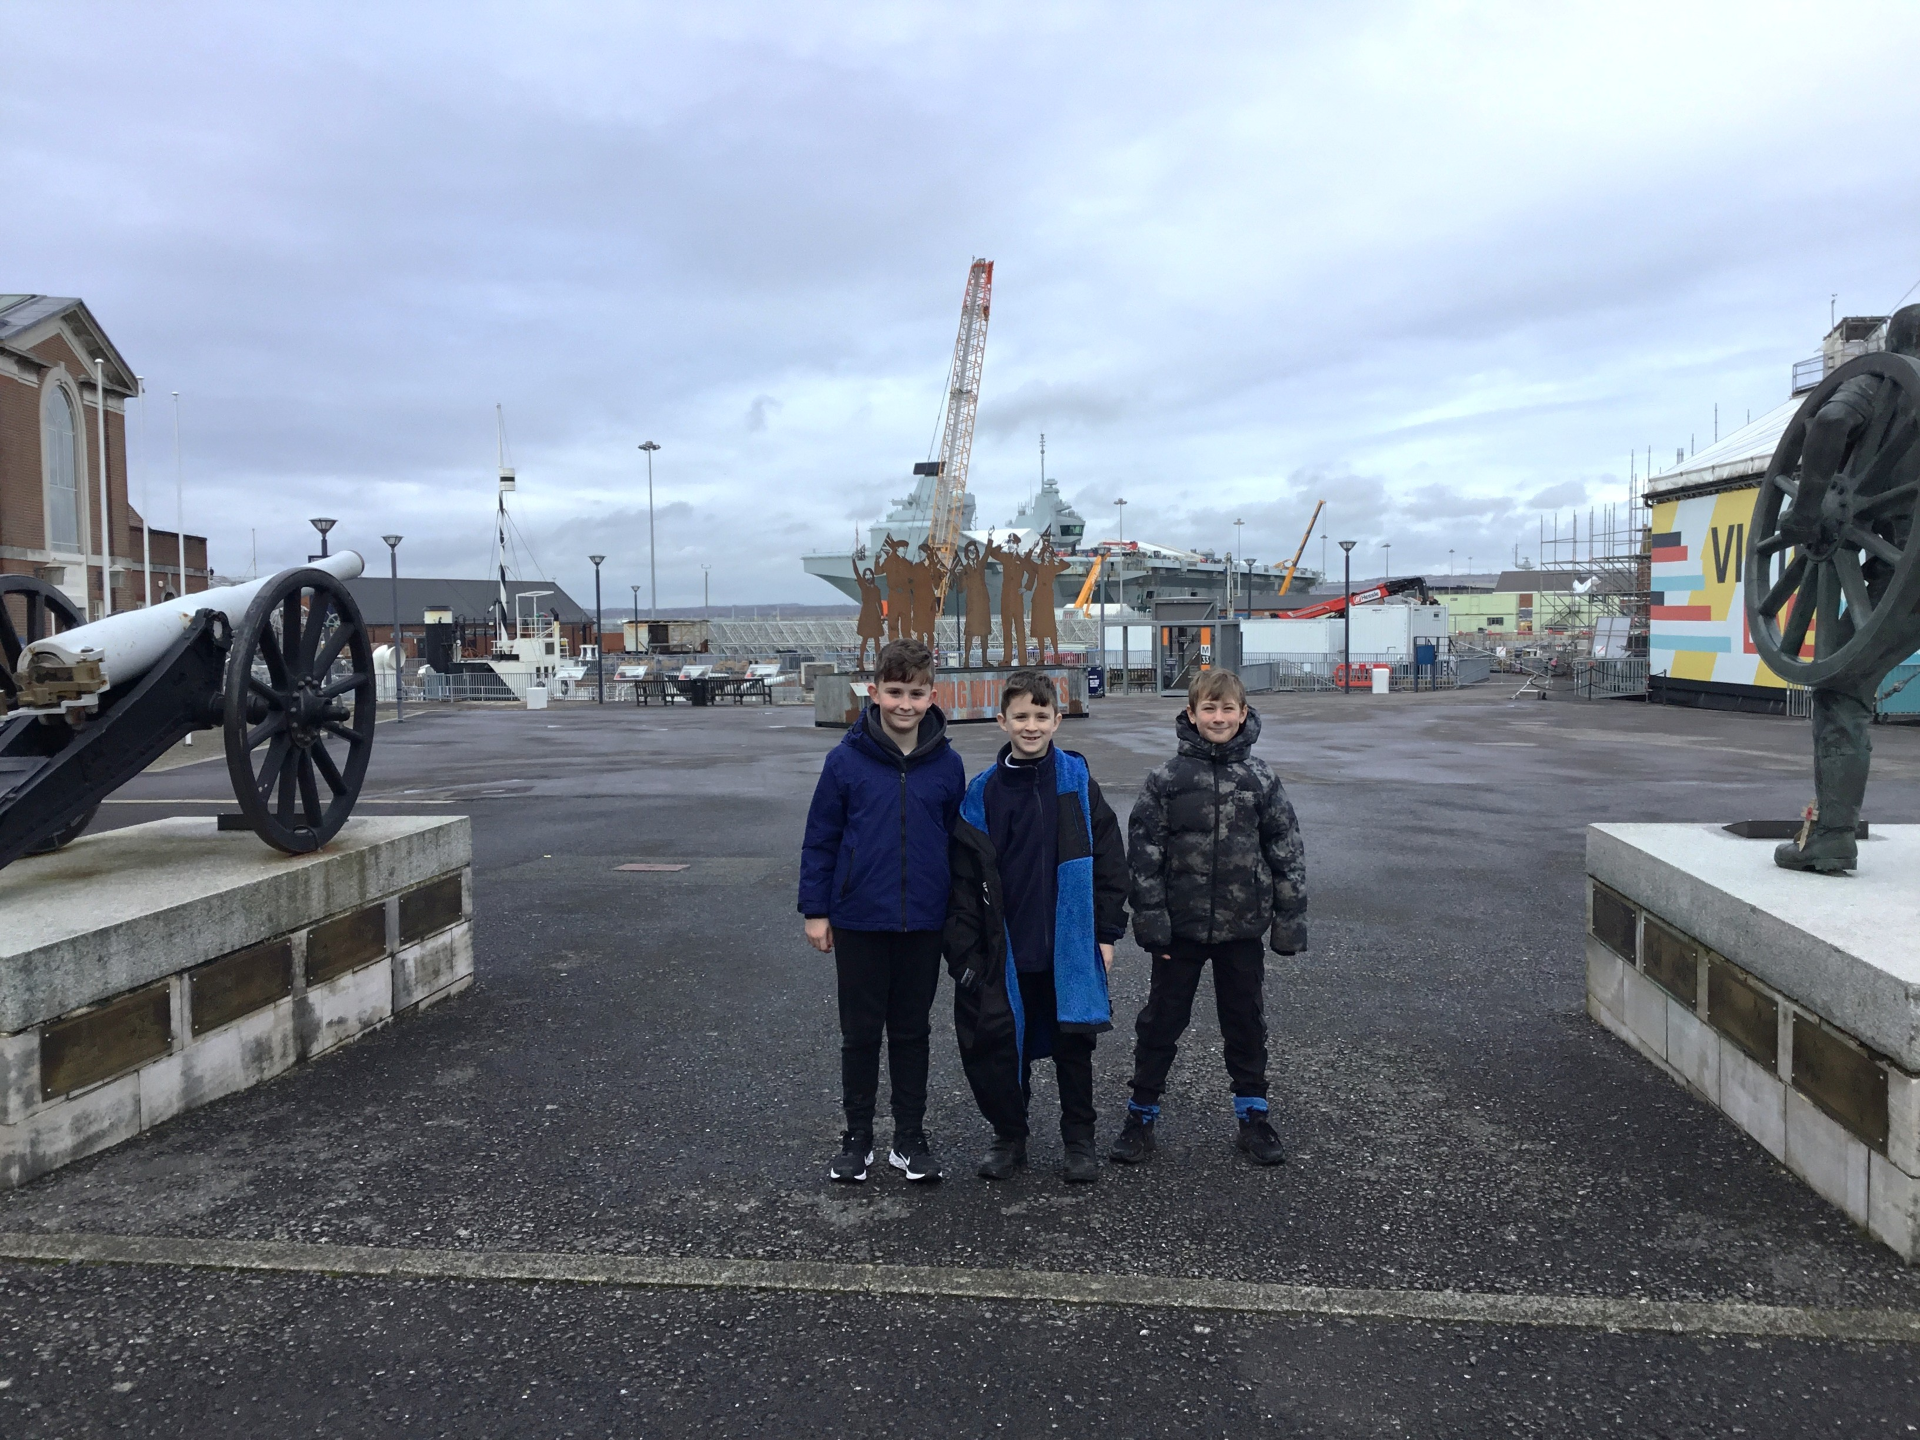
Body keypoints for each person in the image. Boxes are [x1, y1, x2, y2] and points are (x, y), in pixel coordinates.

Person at [1109, 669, 1306, 1167]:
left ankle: (1253, 1116)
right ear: (1191, 714)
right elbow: (1144, 855)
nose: (1218, 718)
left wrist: (1288, 921)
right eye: (1209, 709)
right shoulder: (1167, 780)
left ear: (1243, 713)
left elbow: (1286, 850)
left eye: (1227, 709)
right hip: (1181, 929)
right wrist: (1151, 922)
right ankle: (1140, 1116)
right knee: (1161, 1022)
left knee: (1245, 1022)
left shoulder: (1260, 779)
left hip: (1242, 928)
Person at [944, 671, 1128, 1183]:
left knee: (1075, 1047)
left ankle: (1079, 1140)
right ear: (1001, 720)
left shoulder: (1076, 783)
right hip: (1008, 948)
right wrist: (966, 953)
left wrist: (1105, 932)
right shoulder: (982, 794)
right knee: (1008, 1047)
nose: (1031, 726)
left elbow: (1110, 862)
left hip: (1067, 947)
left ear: (1057, 720)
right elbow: (963, 884)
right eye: (1020, 716)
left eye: (1040, 716)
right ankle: (1010, 1136)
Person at [799, 638, 966, 1183]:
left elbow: (958, 844)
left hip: (924, 919)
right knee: (860, 1033)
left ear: (932, 696)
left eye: (916, 694)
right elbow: (821, 838)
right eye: (894, 692)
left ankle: (910, 1137)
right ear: (873, 692)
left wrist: (960, 913)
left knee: (913, 1031)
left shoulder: (948, 766)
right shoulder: (844, 762)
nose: (904, 704)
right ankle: (858, 1136)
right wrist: (816, 910)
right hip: (859, 917)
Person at [1772, 304, 1920, 874]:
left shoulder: (1883, 382)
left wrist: (1807, 507)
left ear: (1895, 343)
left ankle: (1832, 836)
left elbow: (1831, 422)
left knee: (1840, 689)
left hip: (1906, 568)